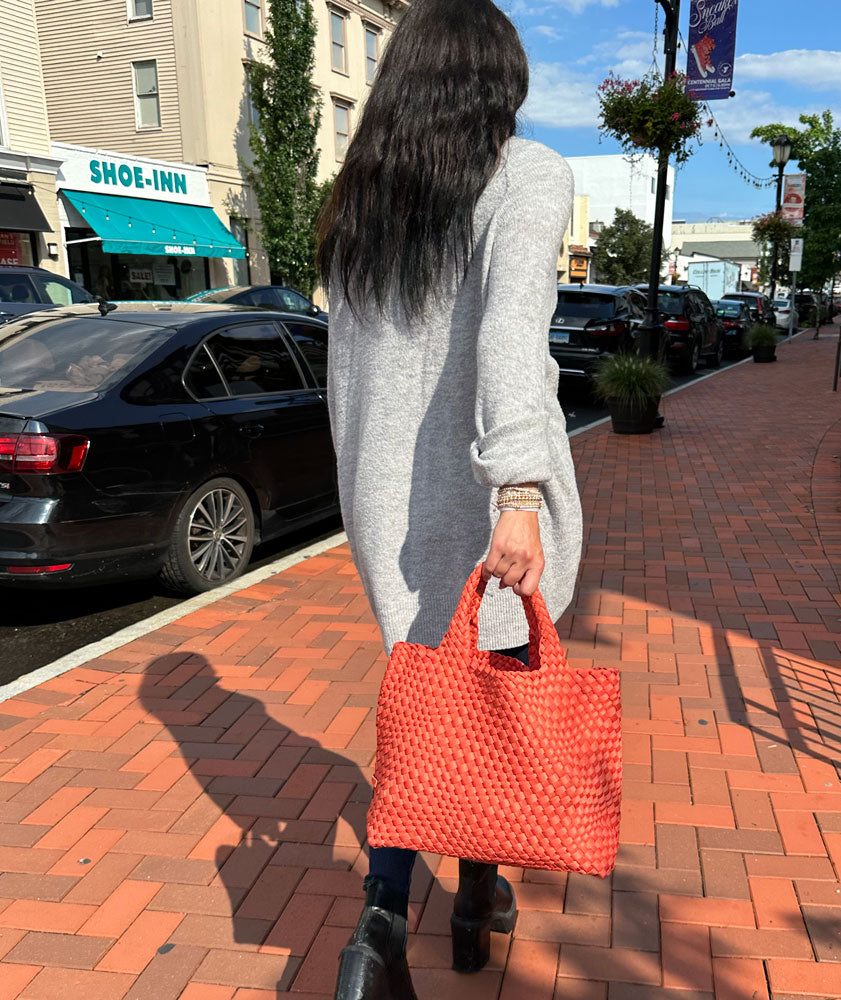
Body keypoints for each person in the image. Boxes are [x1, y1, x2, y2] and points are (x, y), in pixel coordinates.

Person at [316, 1, 583, 997]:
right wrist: (518, 488)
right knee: (490, 700)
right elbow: (514, 336)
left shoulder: (364, 201)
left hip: (386, 509)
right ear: (496, 84)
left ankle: (388, 927)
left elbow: (346, 377)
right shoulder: (524, 174)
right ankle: (457, 900)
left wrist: (366, 500)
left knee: (429, 704)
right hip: (484, 507)